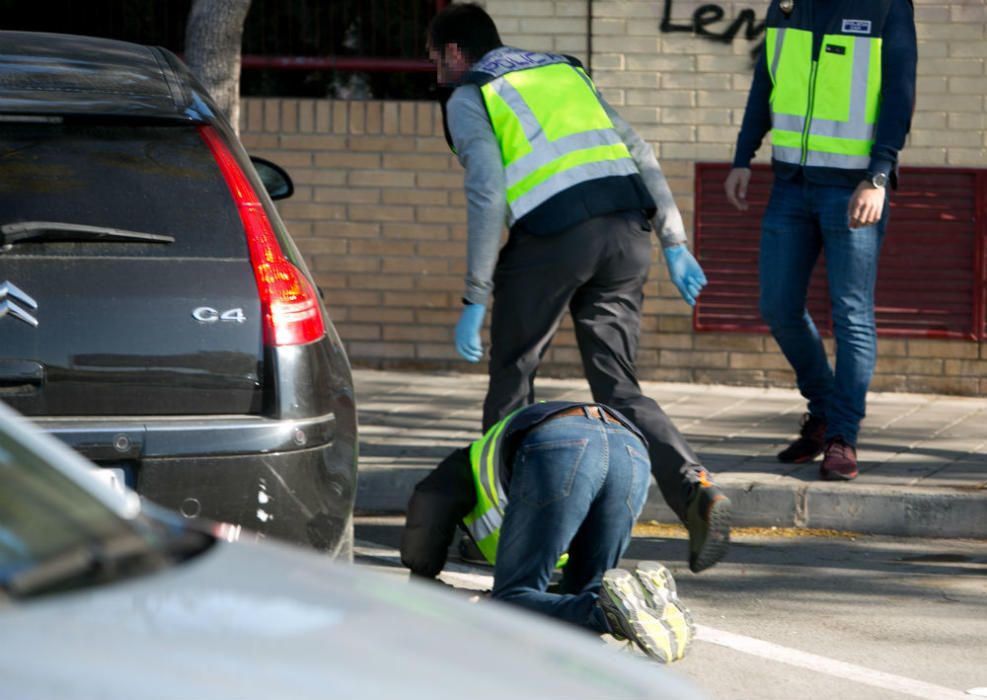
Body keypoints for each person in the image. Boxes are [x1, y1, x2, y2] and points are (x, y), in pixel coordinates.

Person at [427, 2, 730, 574]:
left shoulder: (471, 96)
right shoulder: (564, 72)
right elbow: (639, 150)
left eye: (434, 57)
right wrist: (674, 241)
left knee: (513, 380)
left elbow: (488, 194)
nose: (434, 71)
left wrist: (475, 296)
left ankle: (513, 533)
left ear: (455, 53)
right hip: (627, 233)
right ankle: (696, 489)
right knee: (618, 387)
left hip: (552, 239)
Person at [724, 0, 917, 481]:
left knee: (852, 312)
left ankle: (841, 436)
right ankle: (825, 408)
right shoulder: (787, 6)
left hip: (853, 187)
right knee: (778, 305)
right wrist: (743, 156)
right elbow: (765, 82)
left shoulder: (885, 7)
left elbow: (899, 92)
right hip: (791, 183)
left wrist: (878, 174)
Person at [400, 400, 695, 664]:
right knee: (589, 595)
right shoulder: (491, 467)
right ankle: (649, 602)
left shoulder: (469, 464)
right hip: (632, 453)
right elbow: (559, 601)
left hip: (562, 445)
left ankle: (605, 616)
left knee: (512, 600)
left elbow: (430, 498)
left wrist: (423, 582)